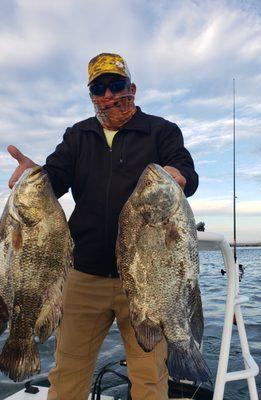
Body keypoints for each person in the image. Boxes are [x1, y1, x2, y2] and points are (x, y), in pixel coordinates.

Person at [8, 53, 199, 400]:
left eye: (116, 85)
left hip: (147, 282)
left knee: (150, 378)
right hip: (84, 275)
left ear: (132, 87)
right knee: (67, 374)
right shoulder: (78, 136)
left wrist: (177, 176)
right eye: (100, 87)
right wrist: (37, 176)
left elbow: (184, 168)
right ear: (92, 95)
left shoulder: (162, 130)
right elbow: (57, 175)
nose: (110, 94)